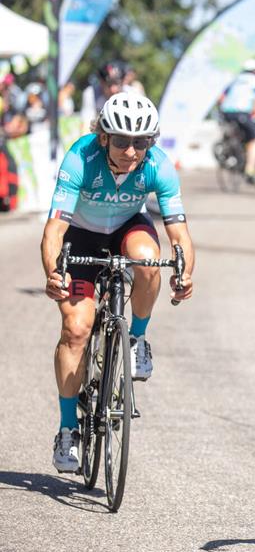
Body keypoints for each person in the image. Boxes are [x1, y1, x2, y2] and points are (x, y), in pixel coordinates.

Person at [42, 92, 195, 473]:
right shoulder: (81, 157)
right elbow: (54, 230)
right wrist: (52, 272)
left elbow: (179, 234)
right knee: (76, 330)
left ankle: (137, 338)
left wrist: (185, 272)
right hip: (82, 233)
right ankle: (67, 429)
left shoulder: (158, 165)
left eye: (141, 142)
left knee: (148, 261)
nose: (131, 151)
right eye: (123, 141)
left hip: (127, 226)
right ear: (104, 136)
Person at [218, 58, 255, 184]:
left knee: (235, 132)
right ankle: (250, 170)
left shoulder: (234, 80)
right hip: (242, 113)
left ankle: (228, 147)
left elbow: (221, 98)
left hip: (226, 113)